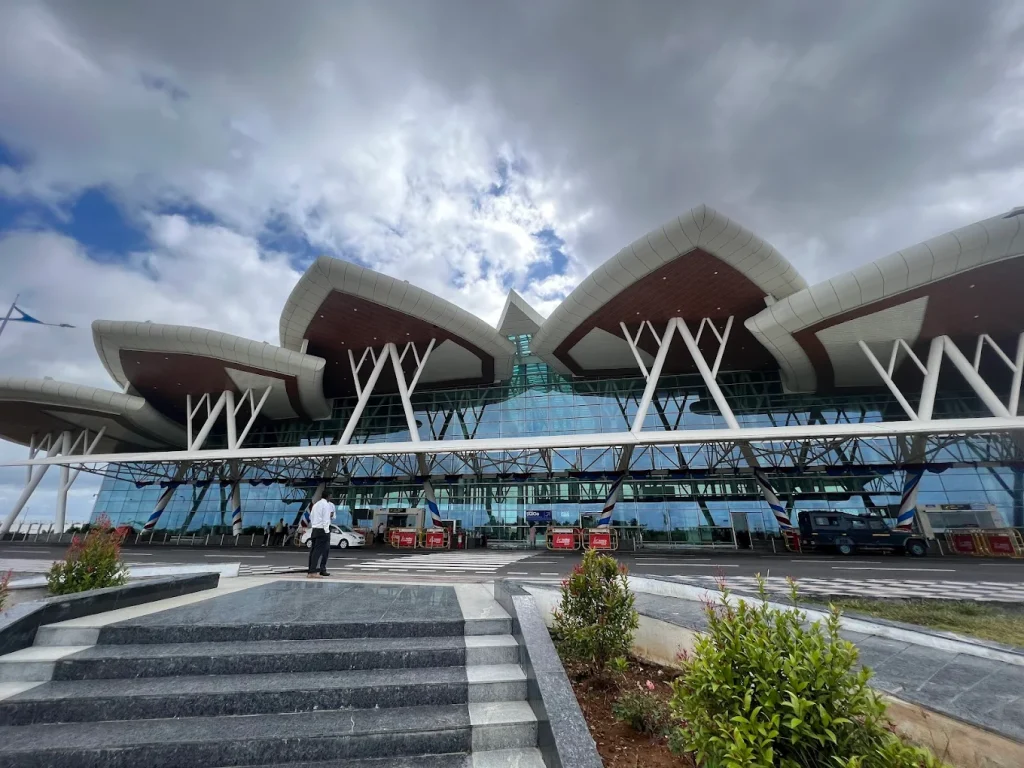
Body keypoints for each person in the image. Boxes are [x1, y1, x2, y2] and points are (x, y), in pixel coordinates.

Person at [307, 494, 335, 578]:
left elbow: (310, 516)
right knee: (318, 551)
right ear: (329, 496)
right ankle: (313, 572)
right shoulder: (326, 505)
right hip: (322, 530)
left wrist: (314, 524)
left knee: (313, 551)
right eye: (331, 496)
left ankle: (310, 570)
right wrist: (326, 531)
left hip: (315, 529)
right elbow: (326, 520)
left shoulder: (316, 504)